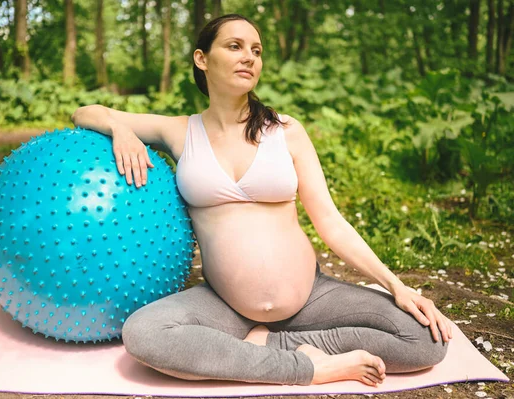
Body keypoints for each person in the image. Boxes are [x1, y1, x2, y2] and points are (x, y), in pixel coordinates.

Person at [71, 13, 451, 387]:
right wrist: (119, 128)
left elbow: (330, 222)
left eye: (256, 49)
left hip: (310, 296)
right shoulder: (179, 131)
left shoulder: (285, 131)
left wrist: (396, 285)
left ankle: (270, 344)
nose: (249, 57)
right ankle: (308, 369)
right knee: (145, 333)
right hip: (225, 305)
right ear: (202, 59)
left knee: (425, 340)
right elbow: (85, 112)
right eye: (234, 46)